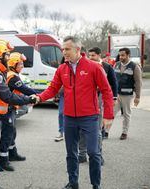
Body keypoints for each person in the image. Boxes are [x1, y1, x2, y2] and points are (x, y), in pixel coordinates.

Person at [35, 36, 114, 189]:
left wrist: (109, 115)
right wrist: (39, 97)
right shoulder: (62, 68)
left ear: (77, 50)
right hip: (69, 118)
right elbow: (52, 89)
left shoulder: (93, 67)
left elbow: (106, 90)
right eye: (63, 49)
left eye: (67, 49)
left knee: (93, 153)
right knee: (71, 154)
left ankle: (96, 185)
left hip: (90, 118)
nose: (64, 52)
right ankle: (73, 183)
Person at [0, 39, 36, 172]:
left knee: (9, 133)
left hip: (1, 110)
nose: (8, 58)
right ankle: (0, 163)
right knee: (0, 139)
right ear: (0, 55)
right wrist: (30, 98)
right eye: (7, 55)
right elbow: (7, 95)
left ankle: (6, 158)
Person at [78, 47, 118, 165]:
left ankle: (98, 155)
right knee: (81, 130)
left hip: (99, 100)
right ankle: (81, 154)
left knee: (97, 130)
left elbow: (113, 83)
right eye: (89, 55)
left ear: (99, 55)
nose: (91, 58)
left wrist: (113, 98)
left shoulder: (107, 67)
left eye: (93, 55)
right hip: (85, 100)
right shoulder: (84, 65)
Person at [6, 52, 37, 160]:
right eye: (20, 64)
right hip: (7, 108)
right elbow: (24, 89)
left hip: (11, 107)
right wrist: (38, 95)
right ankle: (5, 158)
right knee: (9, 133)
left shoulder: (11, 74)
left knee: (12, 132)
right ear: (13, 65)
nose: (22, 66)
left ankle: (12, 153)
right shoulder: (13, 77)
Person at [111, 47, 142, 140]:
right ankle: (106, 131)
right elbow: (112, 80)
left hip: (127, 95)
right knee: (111, 113)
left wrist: (138, 97)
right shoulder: (116, 65)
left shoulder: (135, 66)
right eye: (120, 55)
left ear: (128, 55)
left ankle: (124, 132)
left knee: (126, 114)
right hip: (116, 94)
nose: (121, 57)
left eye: (123, 55)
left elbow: (138, 82)